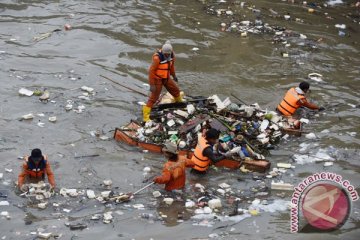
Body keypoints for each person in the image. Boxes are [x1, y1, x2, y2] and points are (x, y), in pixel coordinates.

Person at [143, 40, 183, 122]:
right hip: (157, 79)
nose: (167, 55)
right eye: (166, 54)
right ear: (163, 52)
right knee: (154, 97)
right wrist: (152, 85)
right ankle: (146, 116)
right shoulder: (157, 58)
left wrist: (174, 75)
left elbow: (171, 67)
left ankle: (179, 104)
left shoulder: (172, 56)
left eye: (168, 54)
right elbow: (151, 72)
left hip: (166, 77)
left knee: (175, 90)